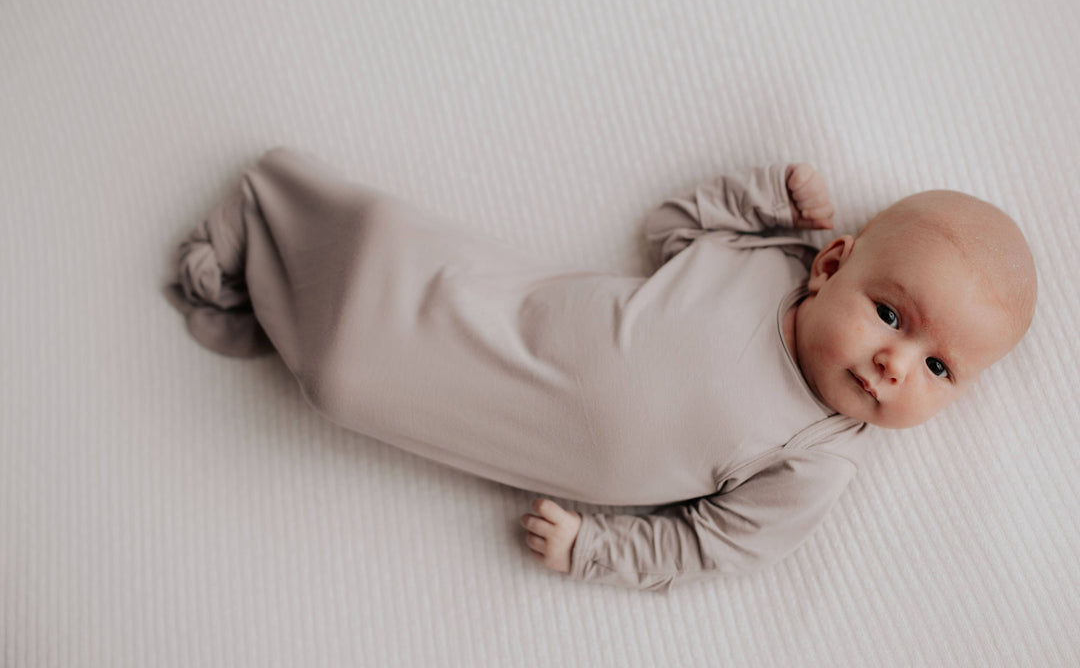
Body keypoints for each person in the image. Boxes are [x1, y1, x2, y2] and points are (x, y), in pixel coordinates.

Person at [166, 147, 1036, 592]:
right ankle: (262, 209)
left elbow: (707, 545)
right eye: (891, 315)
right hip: (522, 316)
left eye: (940, 369)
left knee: (347, 382)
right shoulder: (767, 259)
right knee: (396, 258)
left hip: (514, 429)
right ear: (833, 263)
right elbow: (668, 228)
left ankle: (261, 291)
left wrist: (597, 550)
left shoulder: (817, 458)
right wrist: (764, 200)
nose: (895, 363)